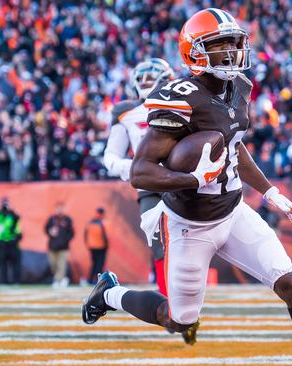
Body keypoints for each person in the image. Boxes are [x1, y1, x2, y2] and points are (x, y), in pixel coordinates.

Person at [82, 9, 292, 365]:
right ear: (195, 52)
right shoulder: (178, 97)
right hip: (188, 225)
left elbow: (233, 144)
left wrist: (269, 192)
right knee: (178, 321)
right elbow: (140, 172)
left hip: (234, 211)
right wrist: (192, 180)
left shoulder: (239, 86)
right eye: (221, 45)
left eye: (235, 43)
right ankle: (111, 293)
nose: (232, 53)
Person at [102, 58, 174, 296]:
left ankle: (185, 299)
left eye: (150, 77)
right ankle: (169, 303)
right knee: (159, 246)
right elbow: (110, 157)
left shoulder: (183, 103)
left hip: (182, 182)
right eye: (142, 78)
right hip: (150, 185)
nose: (146, 82)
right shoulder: (127, 112)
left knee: (190, 243)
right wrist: (135, 167)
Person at [0, 197, 22, 284]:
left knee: (15, 264)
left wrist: (11, 210)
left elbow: (18, 218)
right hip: (0, 243)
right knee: (2, 264)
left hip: (12, 242)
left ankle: (16, 281)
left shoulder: (12, 214)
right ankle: (4, 281)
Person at [44, 202, 75, 288]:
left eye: (61, 208)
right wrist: (50, 232)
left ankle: (57, 281)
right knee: (53, 265)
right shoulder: (51, 219)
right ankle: (63, 278)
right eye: (58, 208)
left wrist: (65, 240)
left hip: (63, 247)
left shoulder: (67, 219)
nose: (59, 210)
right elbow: (46, 229)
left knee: (62, 265)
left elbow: (72, 233)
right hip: (52, 246)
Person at [84, 207, 108, 284]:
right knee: (100, 264)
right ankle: (99, 280)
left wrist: (88, 244)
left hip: (91, 246)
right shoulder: (103, 222)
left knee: (94, 264)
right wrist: (106, 245)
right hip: (101, 246)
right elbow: (105, 236)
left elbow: (85, 234)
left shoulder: (90, 222)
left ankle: (90, 280)